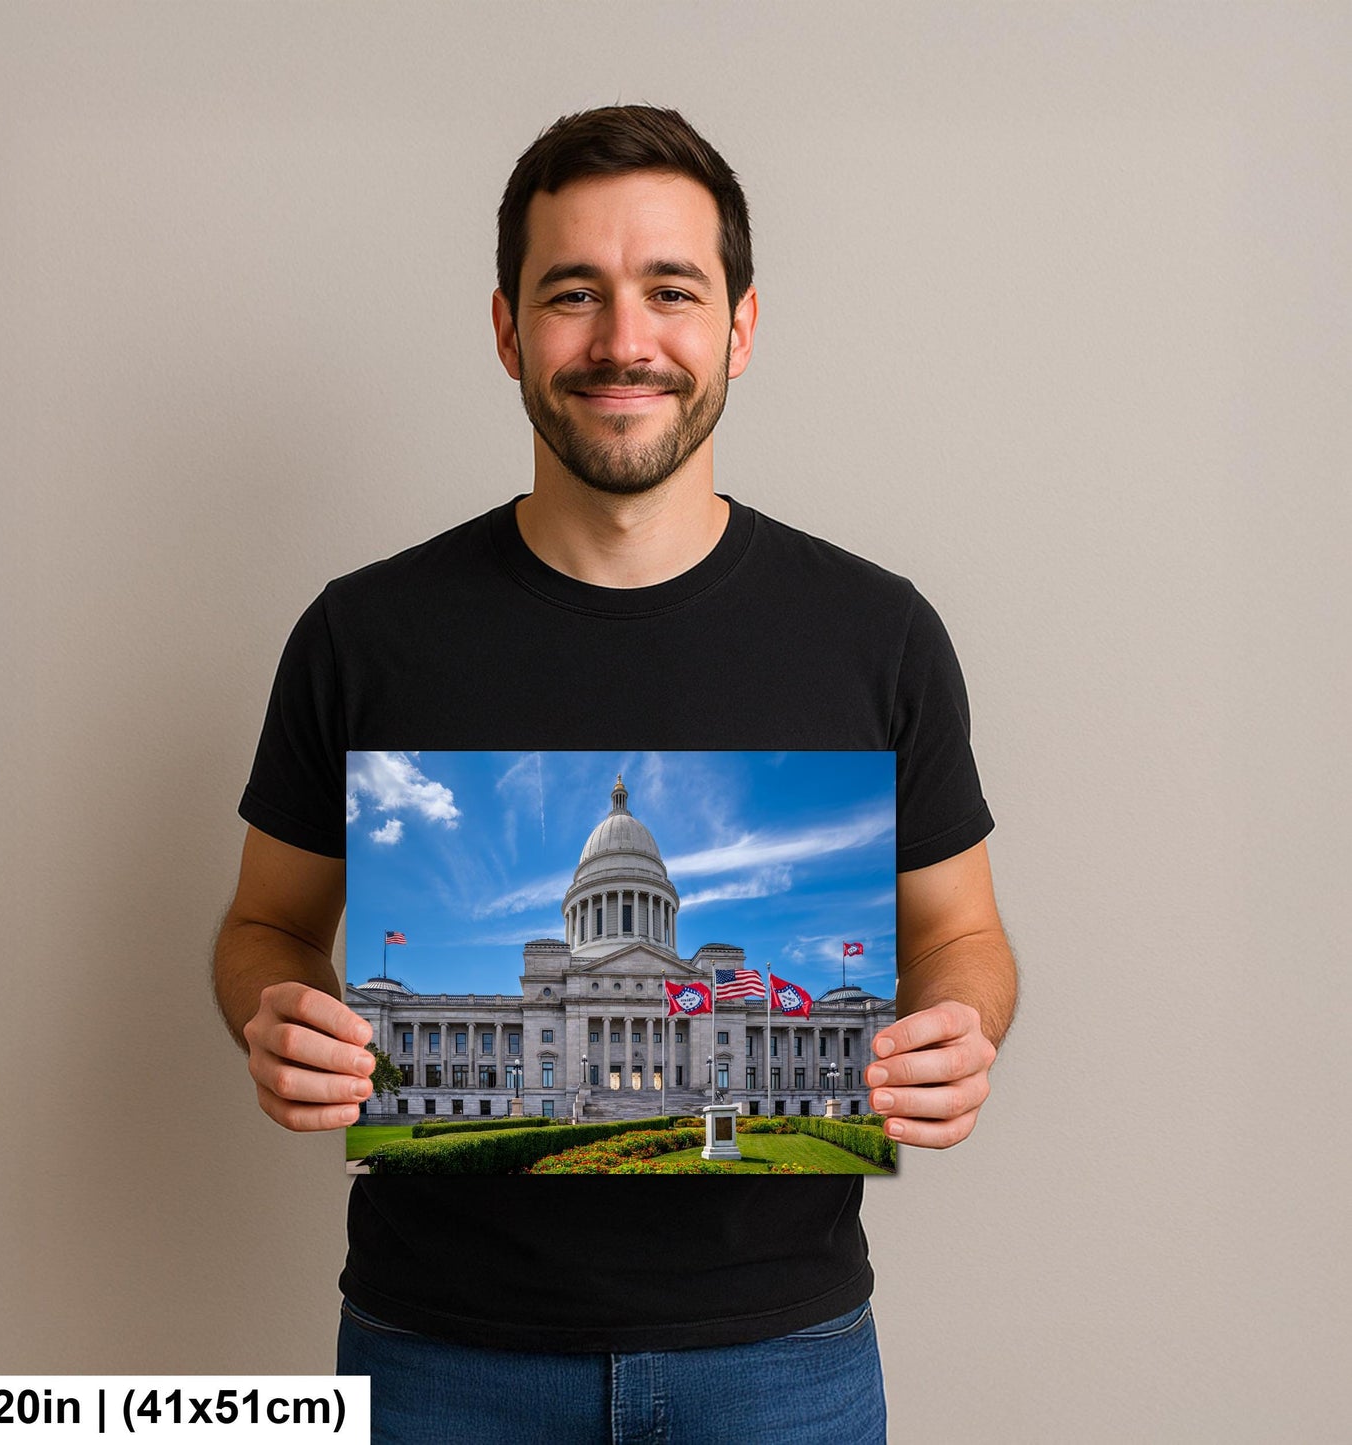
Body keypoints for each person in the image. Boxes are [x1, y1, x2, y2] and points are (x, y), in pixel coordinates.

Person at [213, 105, 1017, 1444]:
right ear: (506, 329)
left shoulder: (876, 632)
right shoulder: (367, 631)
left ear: (739, 329)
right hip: (441, 1352)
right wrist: (276, 1011)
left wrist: (957, 1029)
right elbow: (263, 923)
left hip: (780, 1350)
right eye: (572, 293)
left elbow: (964, 936)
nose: (622, 338)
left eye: (670, 291)